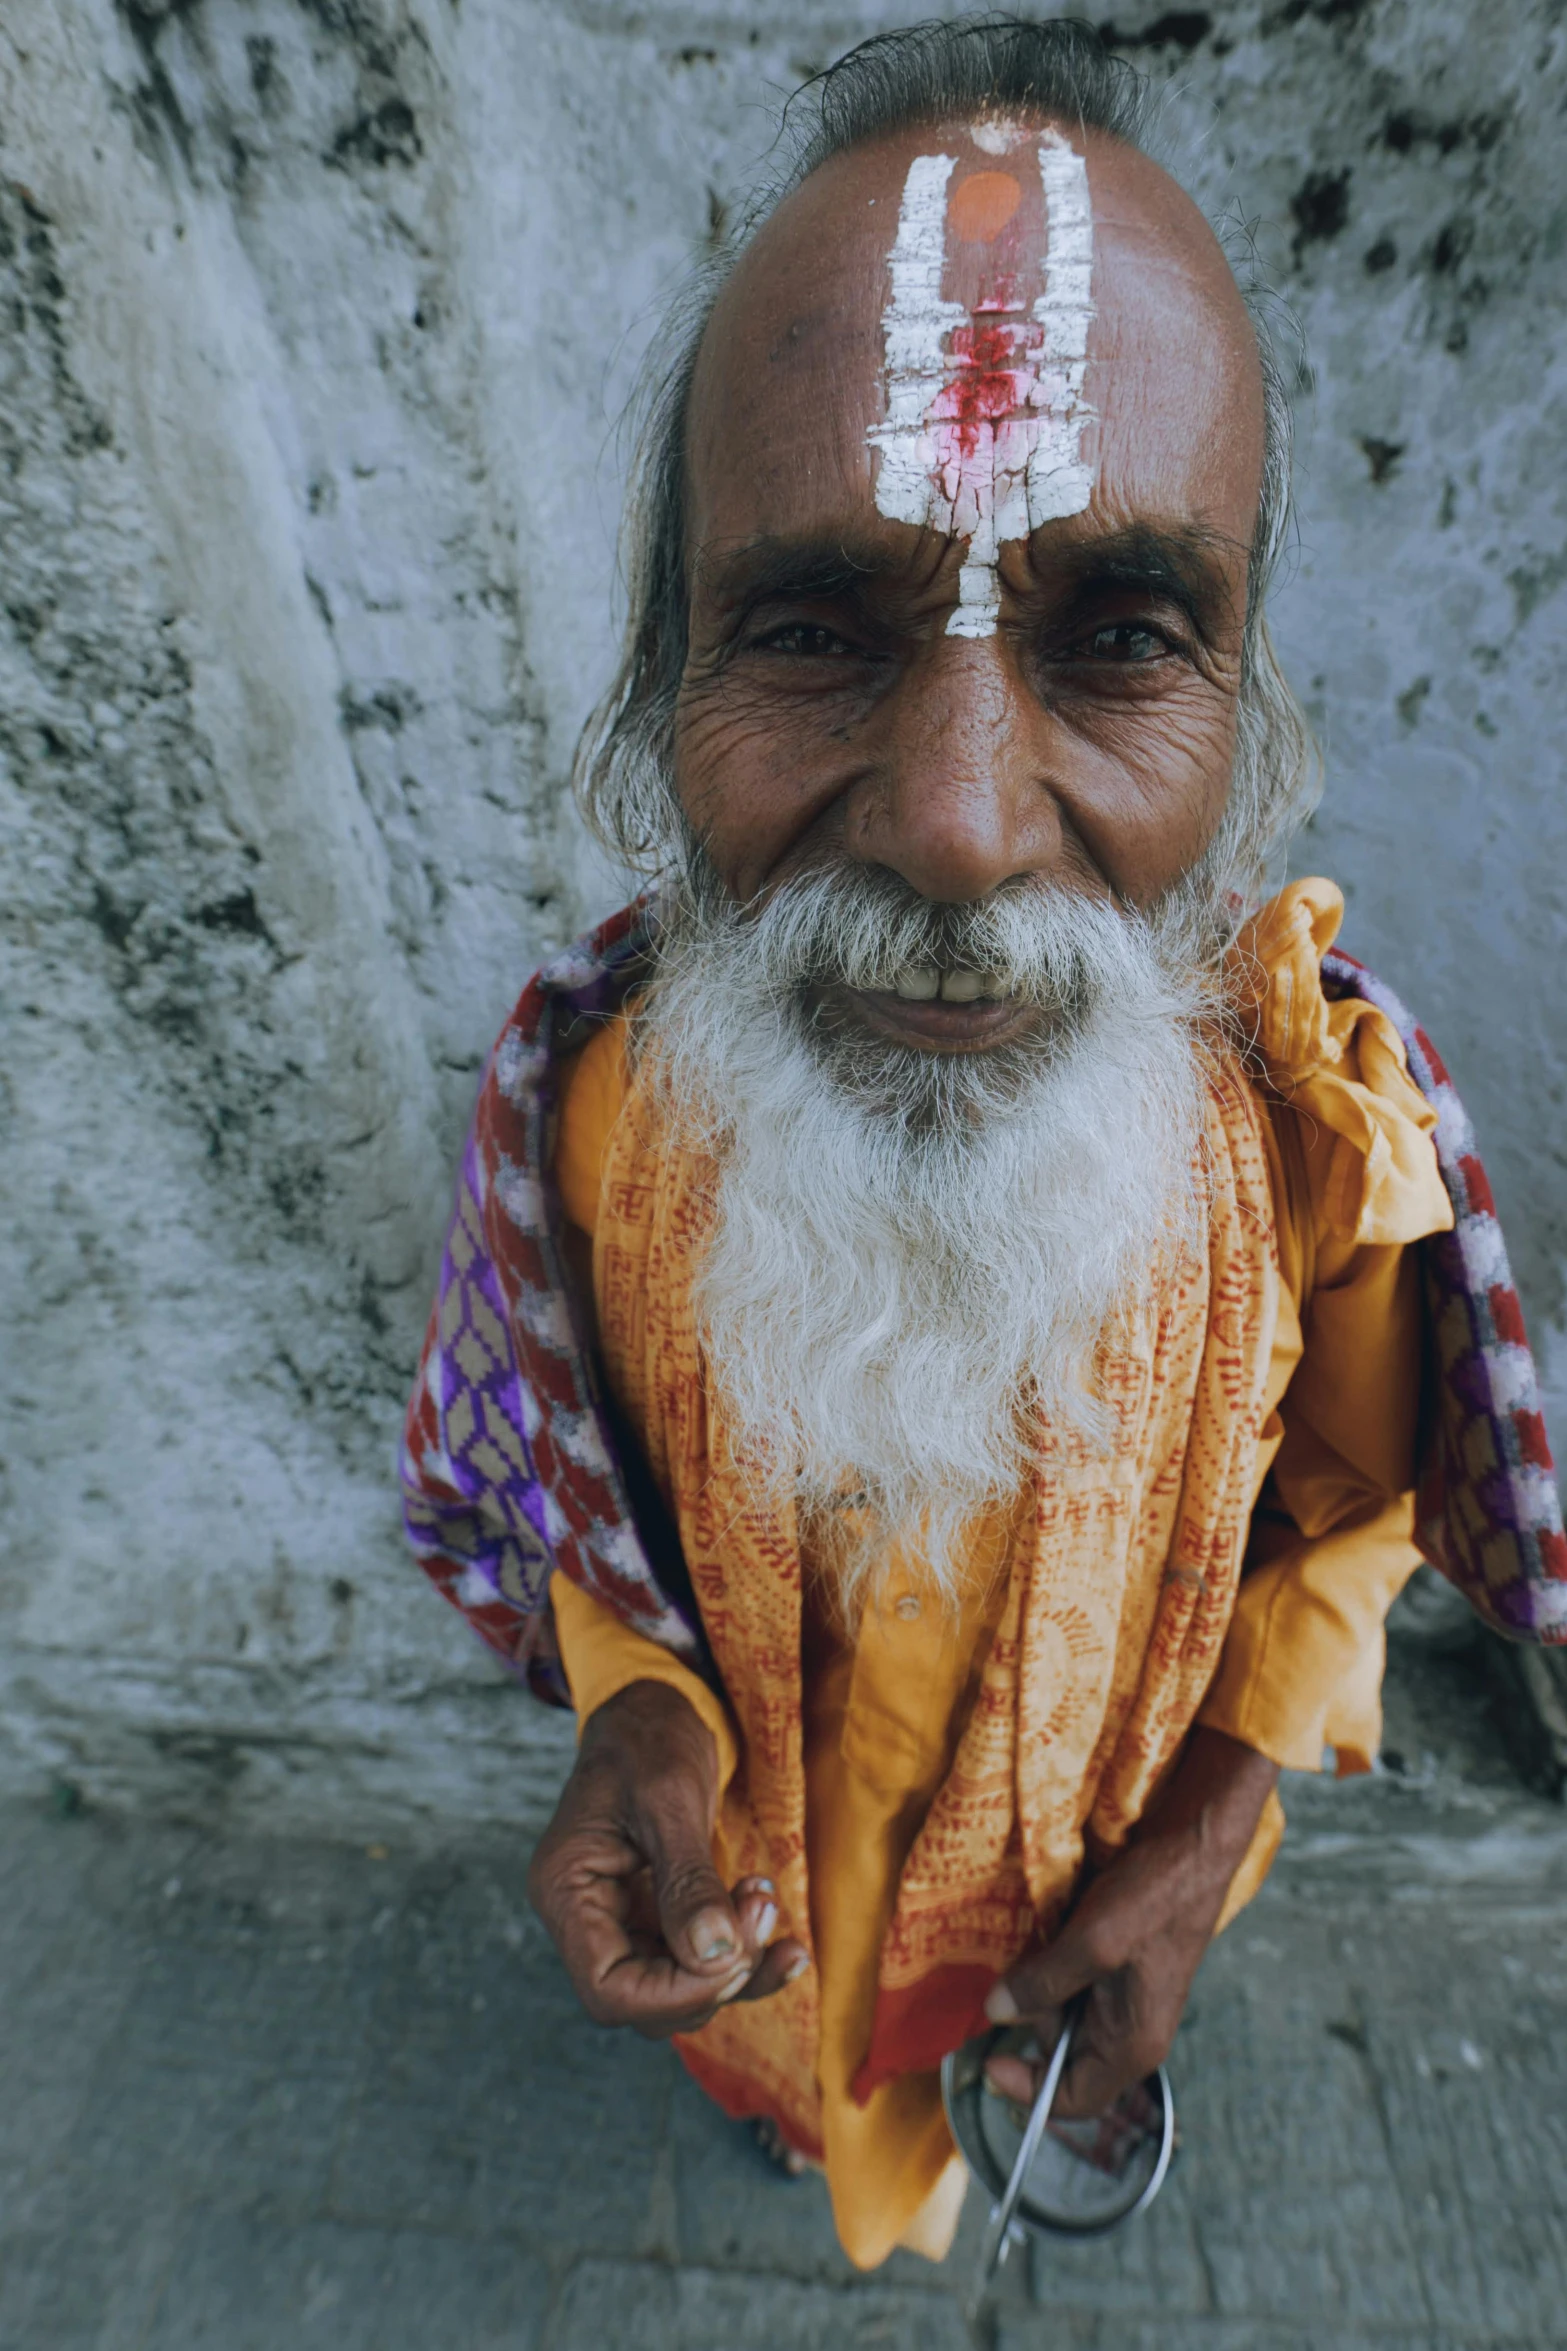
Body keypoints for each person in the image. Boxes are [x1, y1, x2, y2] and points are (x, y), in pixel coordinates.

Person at [400, 17, 1565, 2270]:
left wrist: (1212, 1825)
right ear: (660, 699)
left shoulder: (1321, 1148)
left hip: (1083, 1902)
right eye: (817, 626)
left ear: (1246, 725)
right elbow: (572, 1488)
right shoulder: (586, 1116)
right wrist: (634, 1722)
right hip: (768, 1933)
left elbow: (1356, 1507)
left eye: (1121, 632)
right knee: (786, 2088)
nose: (953, 820)